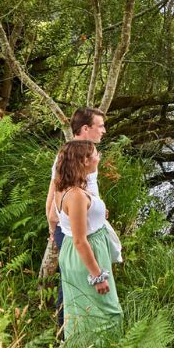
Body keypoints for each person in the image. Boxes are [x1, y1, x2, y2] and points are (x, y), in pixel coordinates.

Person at [43, 108, 107, 330]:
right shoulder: (68, 156)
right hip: (72, 230)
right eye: (100, 126)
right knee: (71, 285)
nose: (104, 131)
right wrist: (53, 228)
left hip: (86, 226)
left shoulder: (88, 154)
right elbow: (53, 199)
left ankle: (90, 333)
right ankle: (66, 335)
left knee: (86, 282)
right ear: (86, 128)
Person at [54, 139, 122, 342]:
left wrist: (98, 214)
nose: (98, 157)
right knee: (108, 312)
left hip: (77, 252)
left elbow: (61, 217)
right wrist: (97, 276)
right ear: (84, 161)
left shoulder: (66, 186)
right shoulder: (75, 195)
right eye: (95, 154)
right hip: (85, 254)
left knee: (82, 309)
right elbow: (80, 241)